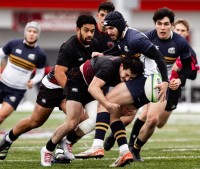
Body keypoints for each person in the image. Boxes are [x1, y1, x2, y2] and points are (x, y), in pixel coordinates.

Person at [72, 11, 168, 167]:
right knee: (113, 113)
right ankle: (125, 152)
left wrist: (165, 81)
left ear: (119, 25)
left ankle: (97, 146)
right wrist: (103, 53)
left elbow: (159, 57)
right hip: (144, 83)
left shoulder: (135, 38)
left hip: (147, 82)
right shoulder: (122, 38)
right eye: (107, 28)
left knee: (105, 102)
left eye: (110, 28)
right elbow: (120, 49)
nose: (108, 32)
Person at [0, 14, 97, 162]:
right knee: (35, 121)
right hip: (53, 87)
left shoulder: (94, 44)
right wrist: (72, 95)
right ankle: (7, 139)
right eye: (86, 30)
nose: (90, 34)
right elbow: (59, 73)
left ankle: (60, 149)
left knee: (79, 119)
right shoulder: (69, 46)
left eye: (92, 31)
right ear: (78, 30)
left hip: (70, 88)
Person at [102, 8, 193, 162]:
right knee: (128, 116)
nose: (162, 28)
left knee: (153, 120)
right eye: (159, 24)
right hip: (143, 79)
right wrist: (106, 55)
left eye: (166, 24)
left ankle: (135, 148)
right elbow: (124, 50)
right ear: (155, 24)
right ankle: (116, 133)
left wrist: (180, 80)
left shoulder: (181, 43)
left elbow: (188, 68)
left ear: (171, 25)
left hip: (161, 83)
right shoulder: (146, 37)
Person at [40, 55, 144, 167]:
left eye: (131, 78)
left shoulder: (127, 71)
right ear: (122, 66)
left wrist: (131, 107)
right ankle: (47, 149)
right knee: (72, 123)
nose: (127, 79)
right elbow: (92, 88)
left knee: (96, 120)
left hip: (94, 87)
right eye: (127, 75)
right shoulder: (110, 67)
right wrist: (107, 104)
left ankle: (67, 141)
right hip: (78, 82)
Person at [0, 21, 46, 125]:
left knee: (1, 116)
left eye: (35, 32)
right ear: (25, 32)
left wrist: (33, 81)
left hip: (17, 91)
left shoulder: (40, 54)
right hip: (2, 83)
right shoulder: (14, 44)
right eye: (29, 31)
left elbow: (40, 73)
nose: (31, 33)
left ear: (38, 35)